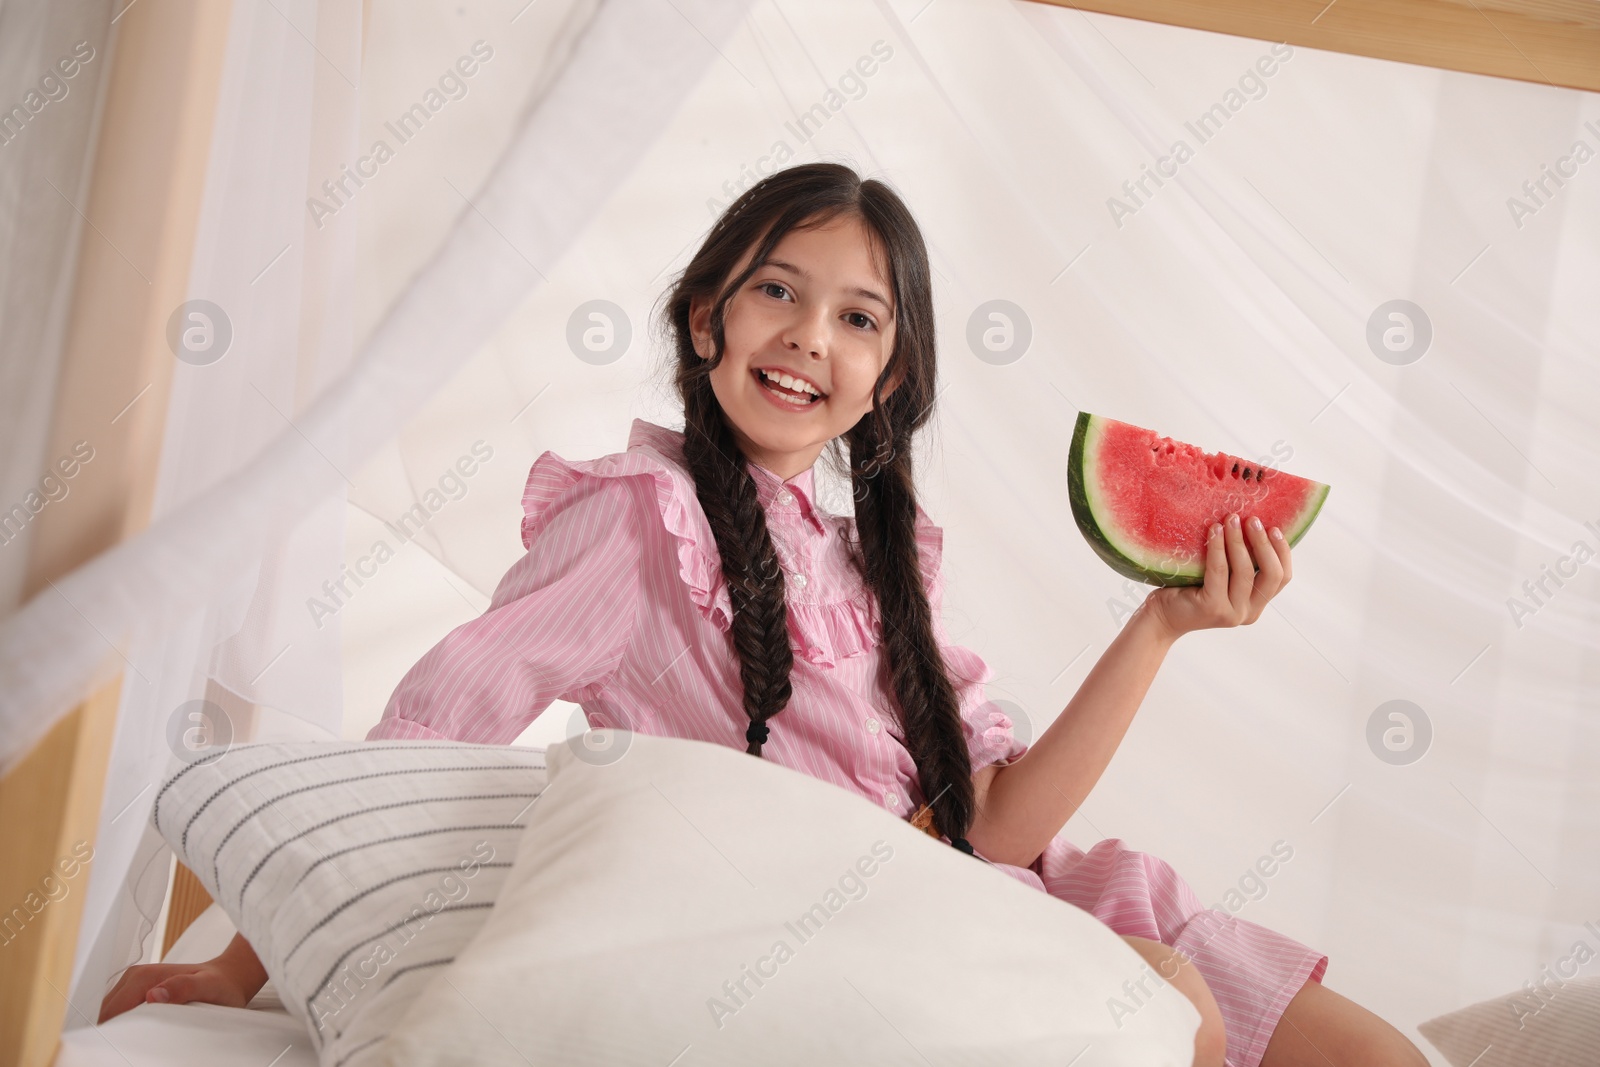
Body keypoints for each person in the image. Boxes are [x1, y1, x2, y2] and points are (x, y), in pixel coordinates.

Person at [100, 162, 1427, 1067]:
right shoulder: (634, 520)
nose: (807, 336)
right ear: (703, 319)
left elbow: (1001, 827)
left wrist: (1161, 629)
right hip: (904, 936)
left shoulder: (881, 563)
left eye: (857, 316)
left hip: (1049, 894)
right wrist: (238, 965)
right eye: (776, 291)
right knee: (1178, 1021)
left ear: (886, 377)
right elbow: (433, 728)